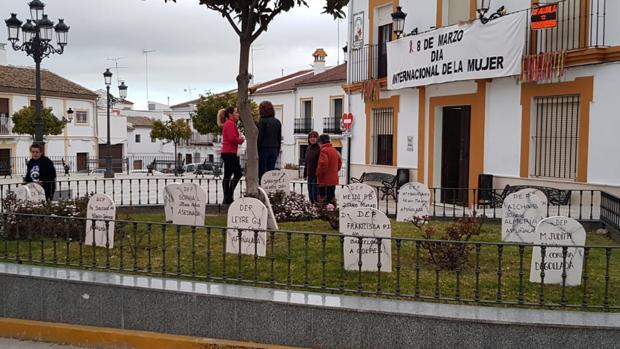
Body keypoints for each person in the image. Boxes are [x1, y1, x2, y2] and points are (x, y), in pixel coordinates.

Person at [220, 107, 245, 205]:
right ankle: (228, 196)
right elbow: (232, 139)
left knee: (227, 175)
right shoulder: (230, 124)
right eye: (236, 112)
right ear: (230, 114)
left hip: (228, 152)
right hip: (229, 152)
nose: (238, 114)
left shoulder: (229, 123)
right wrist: (241, 139)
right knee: (237, 173)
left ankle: (227, 198)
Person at [257, 100, 282, 181]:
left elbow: (260, 137)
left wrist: (256, 149)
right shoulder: (277, 122)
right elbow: (279, 138)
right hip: (274, 148)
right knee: (270, 171)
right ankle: (269, 191)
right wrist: (277, 150)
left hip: (263, 149)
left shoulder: (262, 121)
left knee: (261, 172)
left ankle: (261, 190)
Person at [316, 134, 342, 204]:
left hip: (324, 180)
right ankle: (332, 212)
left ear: (320, 142)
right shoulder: (334, 150)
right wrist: (334, 171)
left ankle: (324, 213)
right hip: (333, 179)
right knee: (331, 197)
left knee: (323, 200)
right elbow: (339, 163)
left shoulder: (324, 150)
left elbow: (323, 164)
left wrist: (318, 173)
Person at [303, 131, 320, 203]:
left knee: (315, 194)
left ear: (317, 139)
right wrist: (305, 174)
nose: (312, 139)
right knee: (310, 194)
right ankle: (311, 209)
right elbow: (306, 162)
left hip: (316, 175)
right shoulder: (308, 148)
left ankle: (316, 209)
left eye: (314, 137)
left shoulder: (319, 148)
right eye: (311, 137)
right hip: (309, 175)